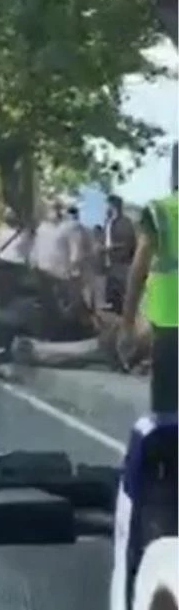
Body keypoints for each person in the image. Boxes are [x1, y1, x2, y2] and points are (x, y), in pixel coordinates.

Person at [120, 154, 178, 416]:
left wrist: (127, 324)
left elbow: (139, 269)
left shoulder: (160, 211)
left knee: (167, 412)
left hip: (169, 322)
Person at [104, 194, 136, 314]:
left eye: (108, 205)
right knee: (112, 284)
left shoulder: (125, 222)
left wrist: (110, 248)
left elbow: (128, 242)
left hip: (121, 260)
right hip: (110, 258)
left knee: (122, 285)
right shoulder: (109, 221)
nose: (106, 208)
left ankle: (125, 310)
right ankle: (114, 305)